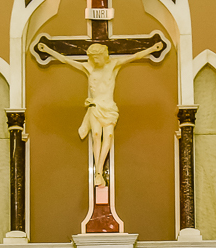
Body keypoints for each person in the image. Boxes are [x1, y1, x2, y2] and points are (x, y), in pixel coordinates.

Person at [36, 41, 165, 187]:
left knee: (108, 135)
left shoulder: (113, 65)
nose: (95, 61)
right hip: (95, 106)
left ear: (104, 56)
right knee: (96, 135)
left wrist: (152, 48)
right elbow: (66, 60)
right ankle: (98, 173)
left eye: (97, 57)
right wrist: (47, 49)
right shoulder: (88, 68)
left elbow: (134, 56)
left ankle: (99, 170)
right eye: (93, 58)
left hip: (109, 106)